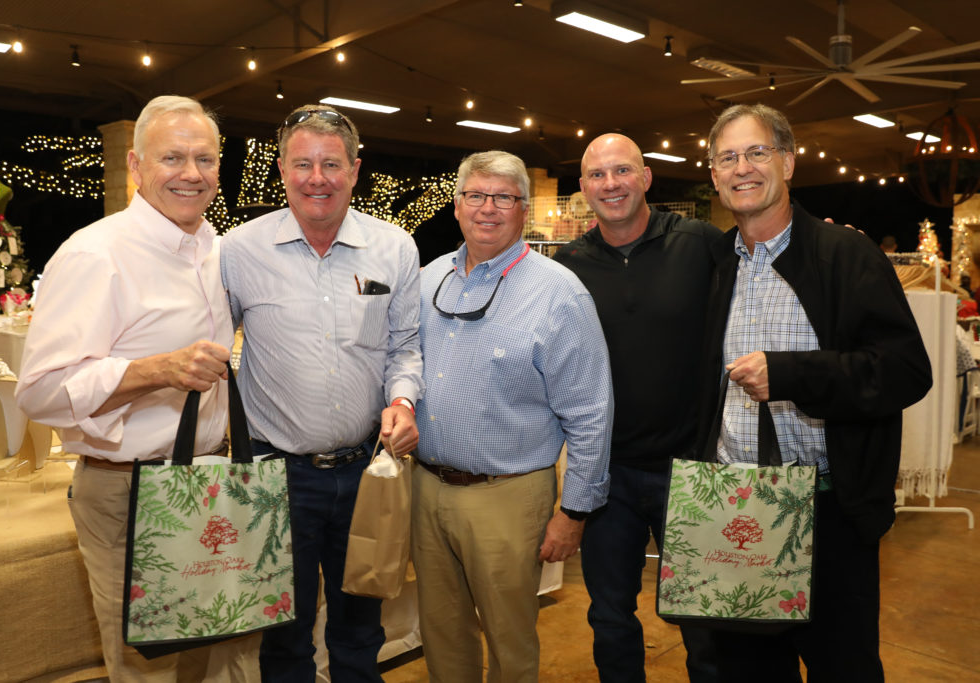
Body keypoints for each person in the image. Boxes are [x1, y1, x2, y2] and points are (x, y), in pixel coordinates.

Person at [16, 95, 259, 680]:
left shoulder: (217, 250)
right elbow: (40, 391)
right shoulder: (96, 253)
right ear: (136, 165)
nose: (191, 173)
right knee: (148, 667)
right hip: (129, 494)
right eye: (172, 157)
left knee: (222, 649)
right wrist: (154, 370)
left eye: (205, 158)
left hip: (209, 487)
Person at [695, 103, 932, 681]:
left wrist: (795, 376)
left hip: (827, 514)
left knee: (842, 666)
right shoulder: (713, 264)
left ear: (789, 161)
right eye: (728, 157)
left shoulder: (845, 256)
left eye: (757, 152)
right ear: (714, 175)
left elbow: (905, 369)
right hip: (736, 512)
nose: (743, 168)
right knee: (748, 669)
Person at [219, 104, 423, 682]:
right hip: (277, 475)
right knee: (284, 637)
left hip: (368, 475)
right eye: (303, 164)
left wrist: (403, 401)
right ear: (281, 169)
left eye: (331, 164)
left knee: (361, 631)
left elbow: (404, 344)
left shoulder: (394, 248)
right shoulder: (239, 250)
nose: (317, 178)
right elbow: (209, 351)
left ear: (355, 170)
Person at [413, 150, 613, 682]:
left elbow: (591, 413)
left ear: (522, 209)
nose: (487, 209)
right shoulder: (431, 278)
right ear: (456, 205)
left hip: (509, 495)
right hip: (427, 488)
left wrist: (574, 513)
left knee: (509, 643)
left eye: (503, 198)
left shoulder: (560, 293)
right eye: (475, 195)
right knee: (442, 634)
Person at [552, 133, 719, 682]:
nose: (610, 184)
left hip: (693, 469)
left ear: (646, 178)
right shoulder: (568, 265)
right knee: (609, 616)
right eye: (597, 176)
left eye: (622, 171)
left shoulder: (701, 245)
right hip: (607, 476)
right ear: (583, 189)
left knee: (704, 619)